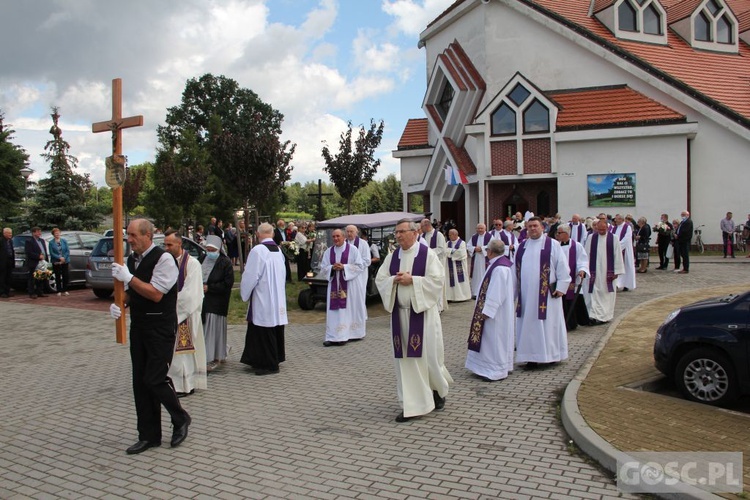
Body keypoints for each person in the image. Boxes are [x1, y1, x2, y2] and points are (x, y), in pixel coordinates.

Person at [109, 219, 191, 455]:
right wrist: (118, 305)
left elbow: (155, 293)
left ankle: (181, 417)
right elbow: (130, 293)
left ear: (147, 236)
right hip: (140, 327)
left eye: (133, 235)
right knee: (140, 383)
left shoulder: (164, 260)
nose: (129, 239)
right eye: (128, 235)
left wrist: (128, 278)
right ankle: (148, 435)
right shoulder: (133, 260)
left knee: (154, 378)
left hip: (160, 328)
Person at [375, 220, 453, 422]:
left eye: (402, 232)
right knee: (406, 362)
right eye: (396, 232)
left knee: (429, 359)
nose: (398, 236)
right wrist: (393, 280)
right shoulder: (393, 256)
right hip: (400, 316)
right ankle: (412, 404)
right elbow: (380, 279)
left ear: (414, 233)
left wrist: (414, 281)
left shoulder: (428, 255)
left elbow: (438, 280)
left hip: (423, 315)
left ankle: (437, 391)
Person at [514, 217, 570, 370]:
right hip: (526, 297)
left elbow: (562, 267)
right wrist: (511, 294)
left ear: (542, 228)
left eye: (535, 226)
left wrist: (561, 286)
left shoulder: (553, 245)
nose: (532, 229)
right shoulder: (521, 247)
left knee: (549, 326)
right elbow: (514, 273)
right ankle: (530, 357)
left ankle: (551, 356)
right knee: (528, 327)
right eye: (530, 226)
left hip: (547, 296)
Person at [240, 223, 288, 375]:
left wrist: (244, 293)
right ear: (273, 234)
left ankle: (269, 364)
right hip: (277, 296)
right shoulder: (278, 250)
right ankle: (270, 357)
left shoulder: (258, 250)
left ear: (258, 234)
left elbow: (251, 275)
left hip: (263, 296)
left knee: (263, 327)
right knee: (273, 326)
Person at [164, 230, 207, 397]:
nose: (166, 248)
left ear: (179, 244)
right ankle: (173, 382)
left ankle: (185, 385)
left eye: (170, 245)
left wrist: (171, 307)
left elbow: (191, 293)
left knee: (183, 351)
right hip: (170, 313)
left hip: (185, 313)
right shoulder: (166, 262)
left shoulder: (192, 264)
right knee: (172, 351)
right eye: (165, 244)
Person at [465, 239, 515, 381]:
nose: (486, 252)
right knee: (490, 339)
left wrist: (487, 311)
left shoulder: (499, 268)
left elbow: (496, 292)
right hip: (496, 311)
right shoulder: (498, 265)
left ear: (491, 252)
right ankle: (485, 367)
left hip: (495, 314)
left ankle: (494, 370)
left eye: (487, 250)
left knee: (494, 340)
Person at [320, 228, 366, 346]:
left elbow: (360, 266)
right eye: (334, 237)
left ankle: (350, 334)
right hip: (334, 284)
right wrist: (332, 268)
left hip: (350, 285)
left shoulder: (353, 250)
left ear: (344, 237)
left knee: (348, 310)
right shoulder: (328, 252)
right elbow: (323, 268)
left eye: (338, 236)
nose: (335, 239)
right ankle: (333, 336)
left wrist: (344, 267)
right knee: (335, 311)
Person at [202, 235, 234, 371]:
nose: (210, 252)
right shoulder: (203, 260)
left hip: (217, 302)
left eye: (212, 249)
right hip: (203, 301)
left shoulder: (225, 262)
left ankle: (215, 357)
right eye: (208, 249)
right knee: (205, 330)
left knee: (214, 330)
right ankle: (206, 355)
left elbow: (228, 283)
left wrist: (210, 288)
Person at [583, 218, 625, 326]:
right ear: (596, 228)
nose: (601, 231)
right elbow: (586, 254)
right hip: (594, 272)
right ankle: (594, 315)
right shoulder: (591, 238)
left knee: (606, 294)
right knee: (594, 293)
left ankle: (605, 316)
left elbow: (618, 255)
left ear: (607, 227)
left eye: (603, 229)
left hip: (608, 273)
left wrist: (617, 271)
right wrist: (585, 268)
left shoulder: (614, 238)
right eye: (599, 229)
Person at [555, 225, 590, 331]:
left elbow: (582, 260)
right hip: (558, 279)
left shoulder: (577, 246)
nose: (557, 235)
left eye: (559, 233)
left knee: (573, 300)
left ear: (566, 234)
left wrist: (582, 270)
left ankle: (572, 322)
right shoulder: (555, 245)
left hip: (573, 278)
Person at [345, 224, 371, 339]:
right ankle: (347, 319)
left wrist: (353, 268)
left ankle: (360, 319)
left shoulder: (363, 244)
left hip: (359, 275)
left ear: (357, 233)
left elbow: (367, 260)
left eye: (352, 231)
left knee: (358, 297)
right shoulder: (343, 243)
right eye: (348, 231)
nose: (349, 234)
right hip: (345, 275)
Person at [419, 218, 447, 311]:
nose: (421, 229)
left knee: (437, 283)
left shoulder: (438, 235)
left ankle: (439, 306)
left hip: (437, 262)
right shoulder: (423, 235)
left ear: (427, 225)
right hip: (426, 263)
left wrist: (428, 252)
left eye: (422, 226)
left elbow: (441, 249)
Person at [610, 214, 636, 291]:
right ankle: (617, 283)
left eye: (617, 219)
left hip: (625, 250)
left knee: (627, 267)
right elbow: (611, 237)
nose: (615, 220)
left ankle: (627, 284)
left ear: (621, 219)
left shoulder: (627, 228)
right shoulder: (614, 228)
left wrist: (618, 247)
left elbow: (627, 239)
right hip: (616, 250)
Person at [445, 229, 472, 302]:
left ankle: (462, 297)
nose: (449, 236)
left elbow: (461, 253)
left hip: (459, 266)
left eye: (450, 235)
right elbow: (445, 251)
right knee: (450, 280)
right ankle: (451, 297)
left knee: (459, 280)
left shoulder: (462, 243)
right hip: (450, 266)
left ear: (455, 235)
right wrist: (452, 251)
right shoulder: (448, 243)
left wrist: (450, 252)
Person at [467, 223, 492, 298]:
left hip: (485, 259)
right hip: (476, 259)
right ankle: (475, 292)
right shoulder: (474, 237)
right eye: (478, 228)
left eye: (481, 228)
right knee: (476, 275)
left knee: (485, 275)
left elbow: (492, 245)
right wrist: (474, 248)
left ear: (485, 229)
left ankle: (485, 292)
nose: (480, 230)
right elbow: (468, 246)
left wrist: (482, 248)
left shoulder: (490, 236)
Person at [25, 226, 49, 299]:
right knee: (32, 278)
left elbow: (44, 250)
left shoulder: (42, 240)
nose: (39, 233)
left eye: (40, 231)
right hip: (34, 262)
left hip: (42, 262)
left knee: (41, 277)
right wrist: (38, 256)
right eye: (38, 232)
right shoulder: (29, 241)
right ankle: (31, 293)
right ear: (33, 233)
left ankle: (40, 292)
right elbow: (28, 252)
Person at [48, 228, 70, 296]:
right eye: (55, 233)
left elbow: (67, 251)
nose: (57, 234)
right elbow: (51, 252)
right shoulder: (51, 242)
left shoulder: (64, 241)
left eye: (58, 233)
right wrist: (59, 257)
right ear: (53, 234)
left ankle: (65, 290)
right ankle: (59, 290)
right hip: (56, 261)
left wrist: (64, 258)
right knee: (57, 275)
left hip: (65, 261)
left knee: (65, 275)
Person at [0, 228, 15, 298]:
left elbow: (12, 251)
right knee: (3, 277)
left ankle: (7, 291)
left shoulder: (10, 241)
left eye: (11, 233)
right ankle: (2, 292)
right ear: (4, 233)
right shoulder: (1, 241)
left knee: (9, 277)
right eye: (9, 233)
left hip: (10, 261)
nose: (10, 235)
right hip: (2, 262)